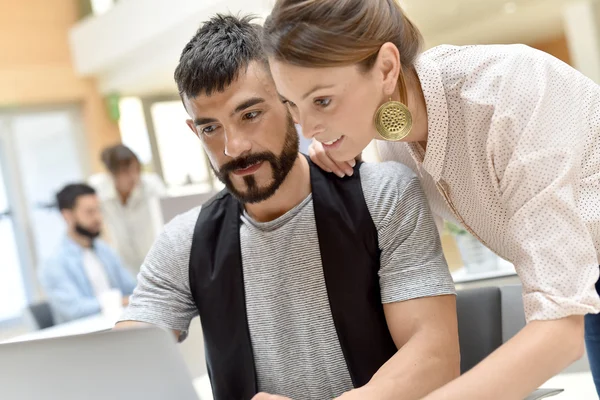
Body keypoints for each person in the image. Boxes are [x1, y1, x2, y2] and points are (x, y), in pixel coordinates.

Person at [261, 1, 600, 399]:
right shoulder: (394, 144)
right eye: (292, 105)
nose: (310, 128)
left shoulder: (508, 93)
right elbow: (408, 278)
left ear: (386, 69)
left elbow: (560, 332)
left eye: (322, 101)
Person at [117, 15, 459, 400]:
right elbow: (125, 365)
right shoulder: (185, 242)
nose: (234, 147)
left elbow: (435, 357)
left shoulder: (383, 196)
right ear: (195, 132)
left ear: (290, 105)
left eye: (250, 115)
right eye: (211, 127)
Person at [39, 184, 136, 323]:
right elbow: (74, 310)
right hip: (84, 338)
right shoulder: (53, 262)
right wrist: (120, 301)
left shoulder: (104, 250)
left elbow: (131, 288)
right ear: (67, 216)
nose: (98, 218)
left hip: (118, 327)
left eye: (99, 210)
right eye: (90, 212)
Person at [88, 144, 166, 276]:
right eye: (125, 171)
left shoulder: (152, 185)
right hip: (121, 263)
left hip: (154, 260)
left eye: (136, 169)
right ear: (111, 173)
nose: (133, 176)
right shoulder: (98, 189)